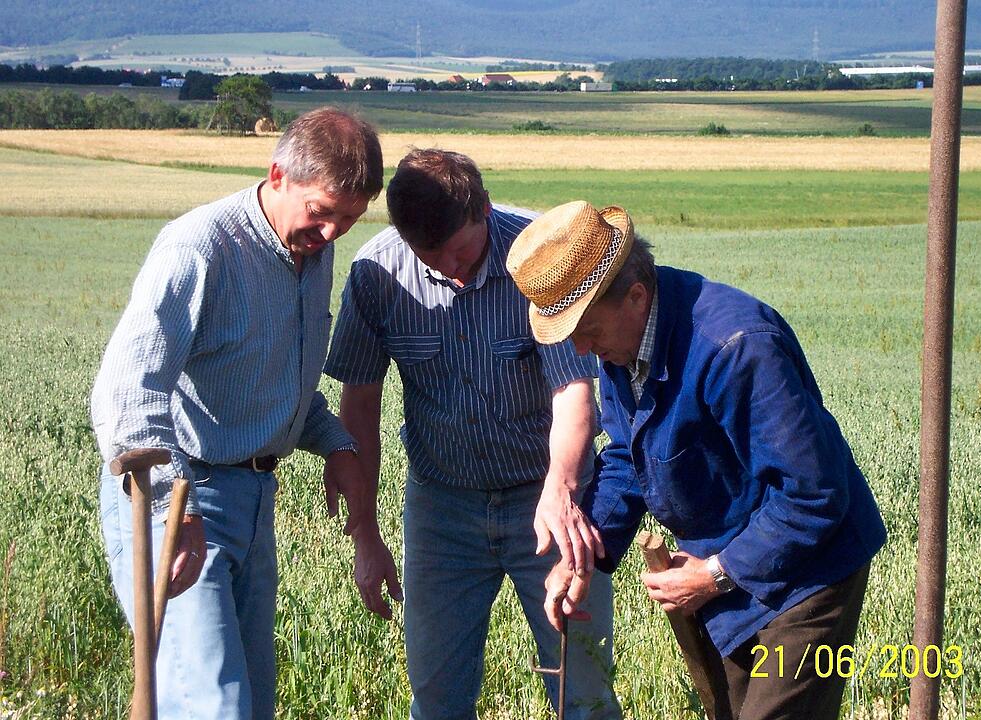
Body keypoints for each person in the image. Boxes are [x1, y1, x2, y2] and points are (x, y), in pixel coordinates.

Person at [505, 200, 888, 720]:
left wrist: (716, 574)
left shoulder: (737, 348)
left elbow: (814, 495)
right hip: (723, 571)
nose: (580, 350)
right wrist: (583, 556)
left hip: (808, 576)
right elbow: (629, 455)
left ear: (635, 296)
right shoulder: (623, 342)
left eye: (586, 330)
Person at [91, 107, 382, 720]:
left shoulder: (310, 250)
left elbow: (274, 385)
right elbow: (127, 391)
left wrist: (335, 442)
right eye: (322, 211)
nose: (332, 232)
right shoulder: (200, 247)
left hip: (253, 499)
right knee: (212, 705)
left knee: (251, 704)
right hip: (178, 495)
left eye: (350, 220)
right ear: (277, 175)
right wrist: (178, 508)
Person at [324, 150, 621, 720]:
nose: (451, 270)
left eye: (460, 251)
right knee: (437, 699)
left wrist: (561, 493)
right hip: (442, 510)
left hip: (546, 500)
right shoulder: (376, 272)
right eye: (430, 258)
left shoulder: (539, 256)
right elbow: (359, 405)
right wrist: (365, 532)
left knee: (582, 691)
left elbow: (574, 393)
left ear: (483, 207)